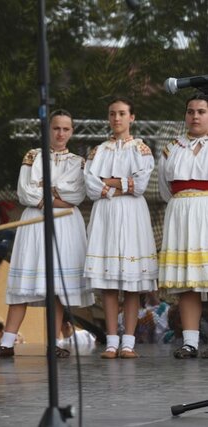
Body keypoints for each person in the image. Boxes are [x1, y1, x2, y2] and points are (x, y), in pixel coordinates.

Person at [0, 109, 94, 360]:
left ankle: (52, 342)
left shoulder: (78, 161)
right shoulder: (33, 156)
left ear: (72, 131)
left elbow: (77, 196)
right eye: (56, 128)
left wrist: (47, 192)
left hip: (66, 225)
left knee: (56, 286)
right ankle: (8, 342)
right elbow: (25, 193)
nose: (60, 133)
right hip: (35, 222)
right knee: (24, 284)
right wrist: (59, 196)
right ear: (48, 129)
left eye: (66, 129)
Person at [84, 97, 158, 359]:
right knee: (108, 281)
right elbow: (90, 184)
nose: (117, 118)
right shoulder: (99, 150)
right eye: (112, 114)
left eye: (122, 113)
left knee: (131, 281)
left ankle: (129, 341)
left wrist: (108, 182)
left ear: (132, 118)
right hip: (106, 212)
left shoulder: (141, 149)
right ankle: (112, 340)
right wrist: (117, 184)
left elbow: (140, 184)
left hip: (131, 213)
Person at [159, 92, 208, 358]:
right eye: (191, 111)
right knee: (189, 282)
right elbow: (167, 190)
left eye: (201, 111)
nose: (195, 116)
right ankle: (190, 342)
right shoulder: (172, 147)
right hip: (180, 214)